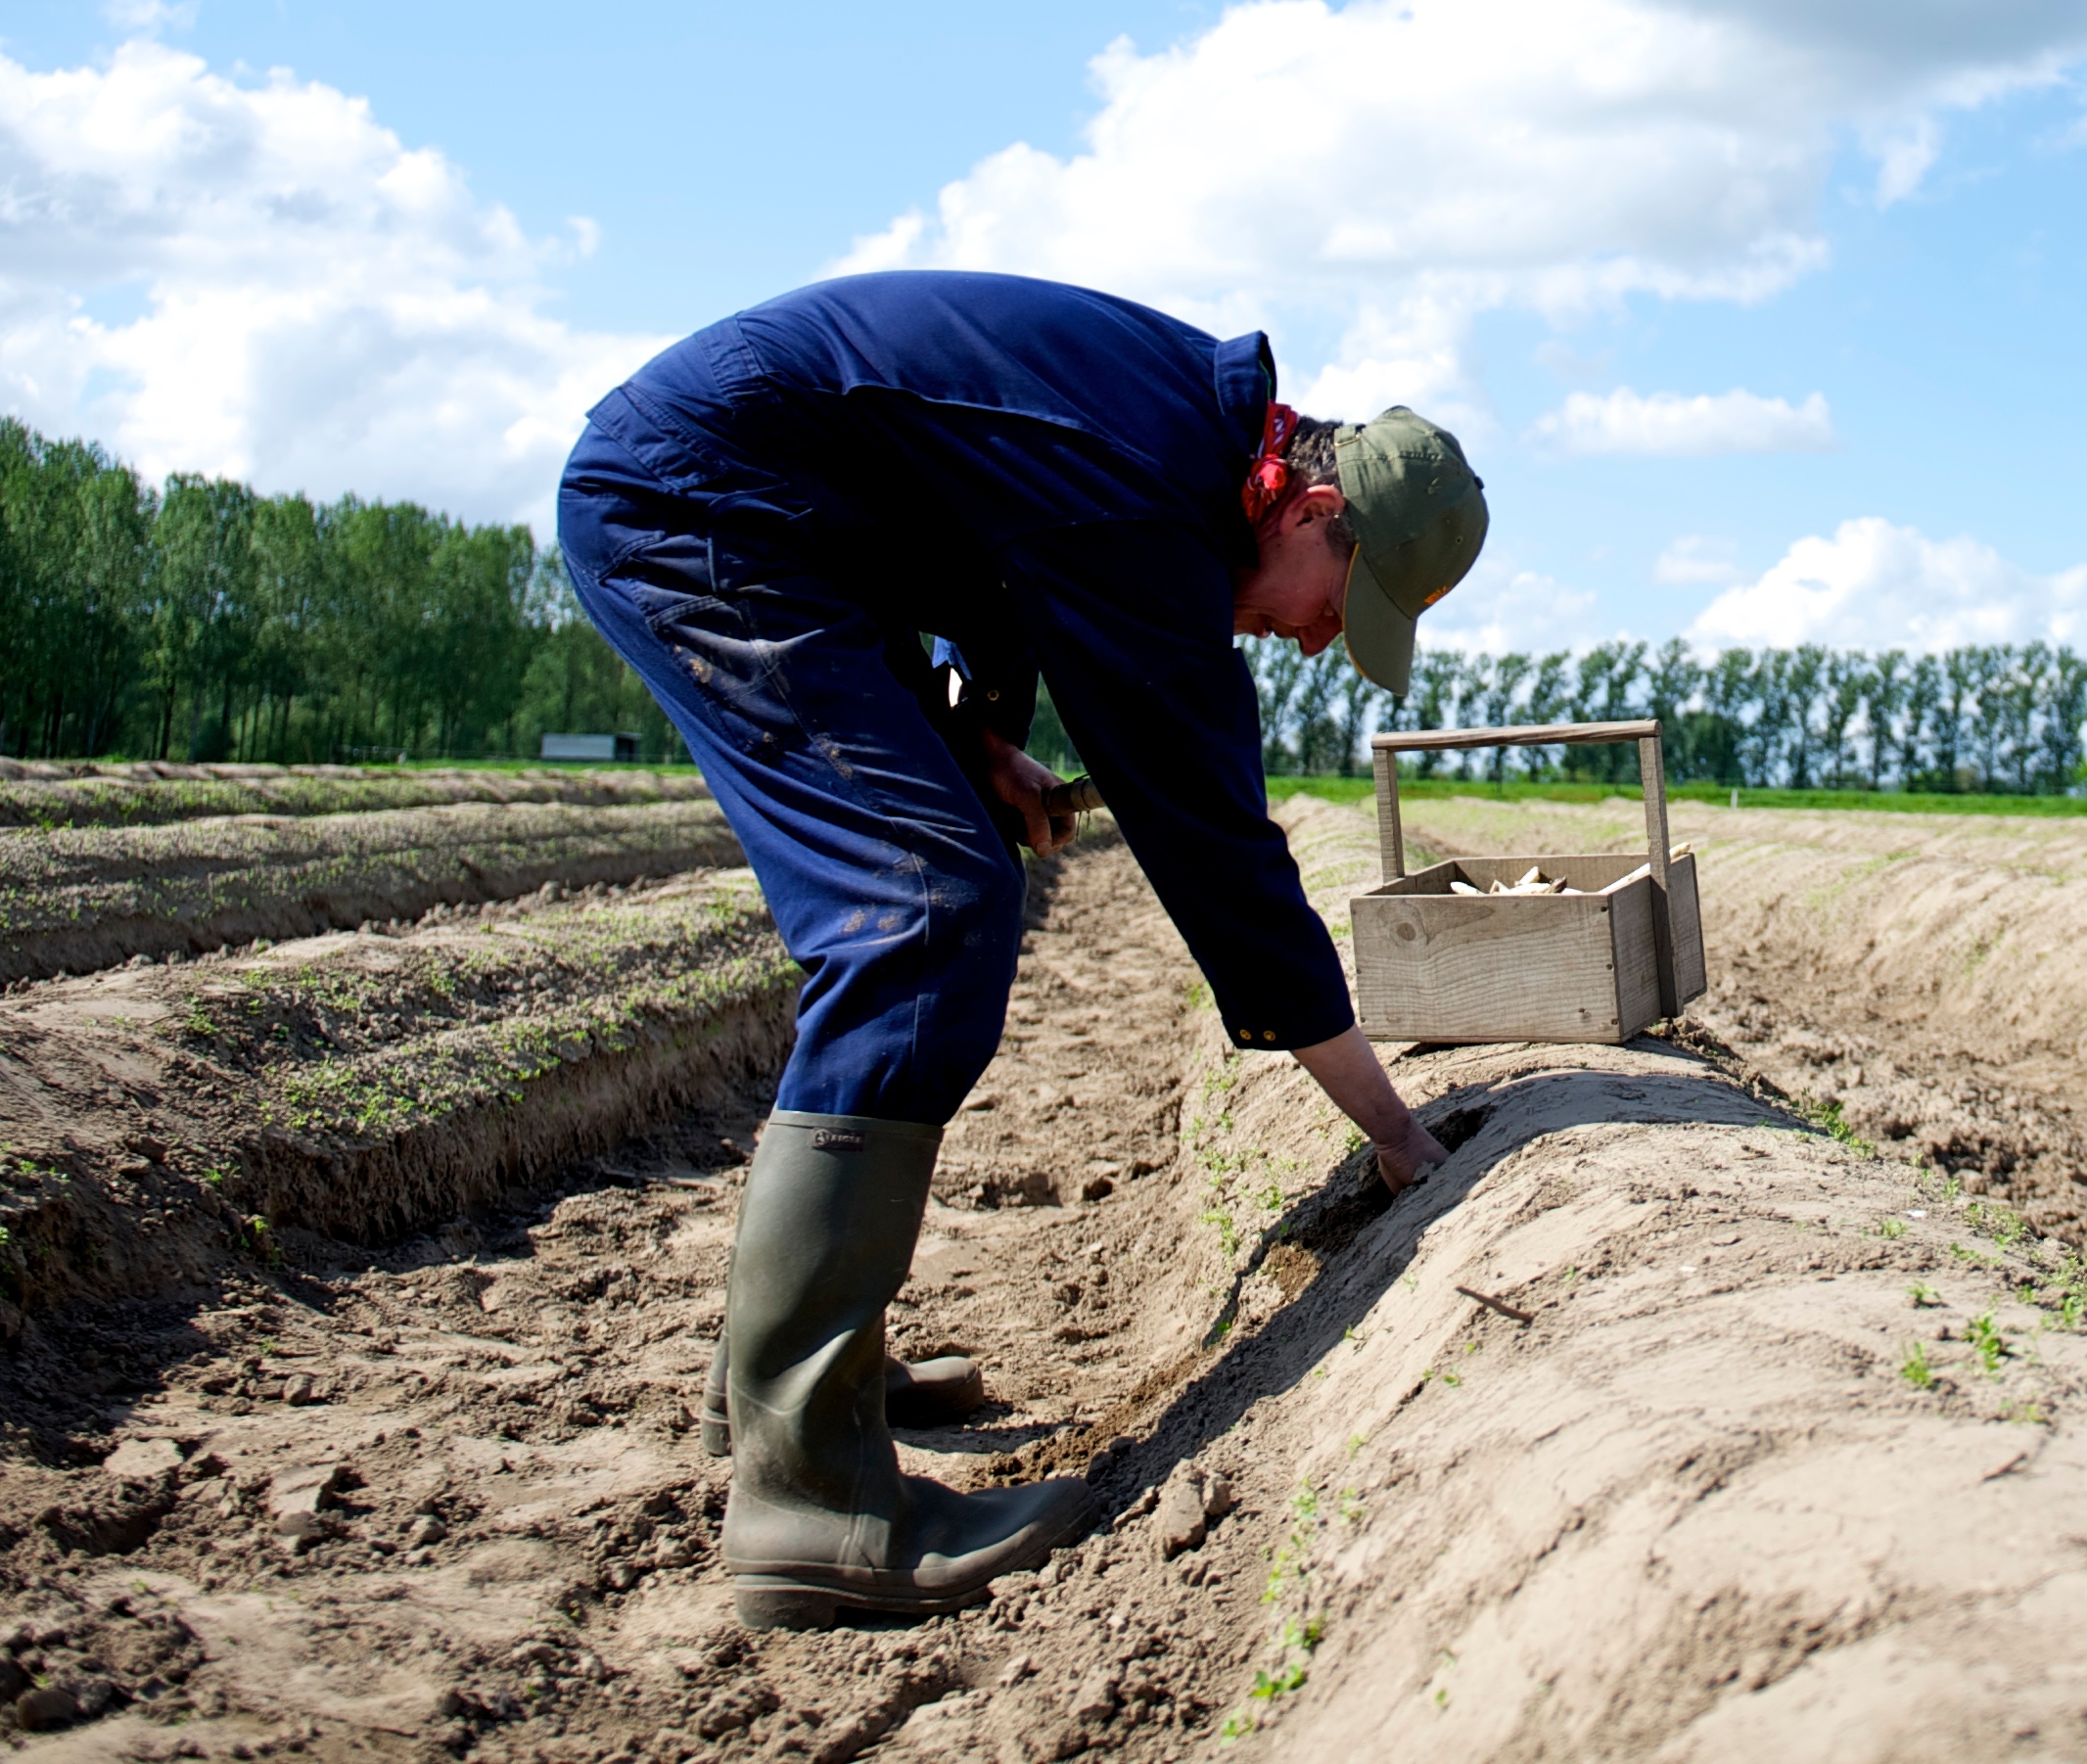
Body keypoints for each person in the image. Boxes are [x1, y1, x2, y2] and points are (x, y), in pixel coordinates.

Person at [557, 270, 1486, 1630]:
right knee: (921, 916)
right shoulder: (1144, 491)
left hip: (800, 524)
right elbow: (1215, 847)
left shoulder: (1169, 452)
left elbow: (982, 542)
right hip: (705, 512)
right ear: (1312, 508)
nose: (1315, 637)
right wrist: (1395, 1132)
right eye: (1337, 604)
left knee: (941, 878)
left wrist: (980, 730)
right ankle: (813, 1498)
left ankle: (798, 1380)